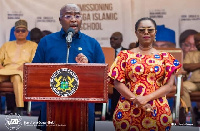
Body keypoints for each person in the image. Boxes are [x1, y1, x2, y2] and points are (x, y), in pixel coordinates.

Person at [32, 4, 105, 131]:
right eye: (68, 16)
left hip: (83, 107)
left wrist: (88, 67)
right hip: (52, 105)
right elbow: (35, 73)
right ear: (60, 20)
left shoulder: (92, 43)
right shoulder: (46, 42)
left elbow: (103, 77)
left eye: (77, 16)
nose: (73, 19)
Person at [108, 17, 181, 130]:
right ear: (136, 33)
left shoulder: (166, 57)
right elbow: (118, 83)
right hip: (128, 108)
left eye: (150, 30)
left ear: (155, 32)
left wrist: (146, 98)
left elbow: (169, 86)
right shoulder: (124, 56)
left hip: (157, 110)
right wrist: (137, 100)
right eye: (142, 30)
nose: (146, 32)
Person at [0, 19, 37, 114]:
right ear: (14, 32)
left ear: (27, 33)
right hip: (6, 70)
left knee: (17, 78)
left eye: (23, 31)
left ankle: (19, 108)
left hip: (21, 71)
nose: (20, 33)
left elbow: (35, 60)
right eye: (18, 31)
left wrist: (25, 65)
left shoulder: (33, 45)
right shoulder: (6, 45)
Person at [181, 33, 200, 124]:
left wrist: (194, 66)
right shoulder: (191, 54)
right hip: (194, 83)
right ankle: (187, 112)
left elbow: (190, 66)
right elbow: (186, 66)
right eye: (196, 40)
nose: (198, 42)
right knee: (182, 86)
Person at [109, 32, 127, 120]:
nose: (112, 40)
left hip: (122, 80)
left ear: (121, 40)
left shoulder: (127, 52)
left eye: (115, 39)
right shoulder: (106, 52)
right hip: (108, 79)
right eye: (111, 38)